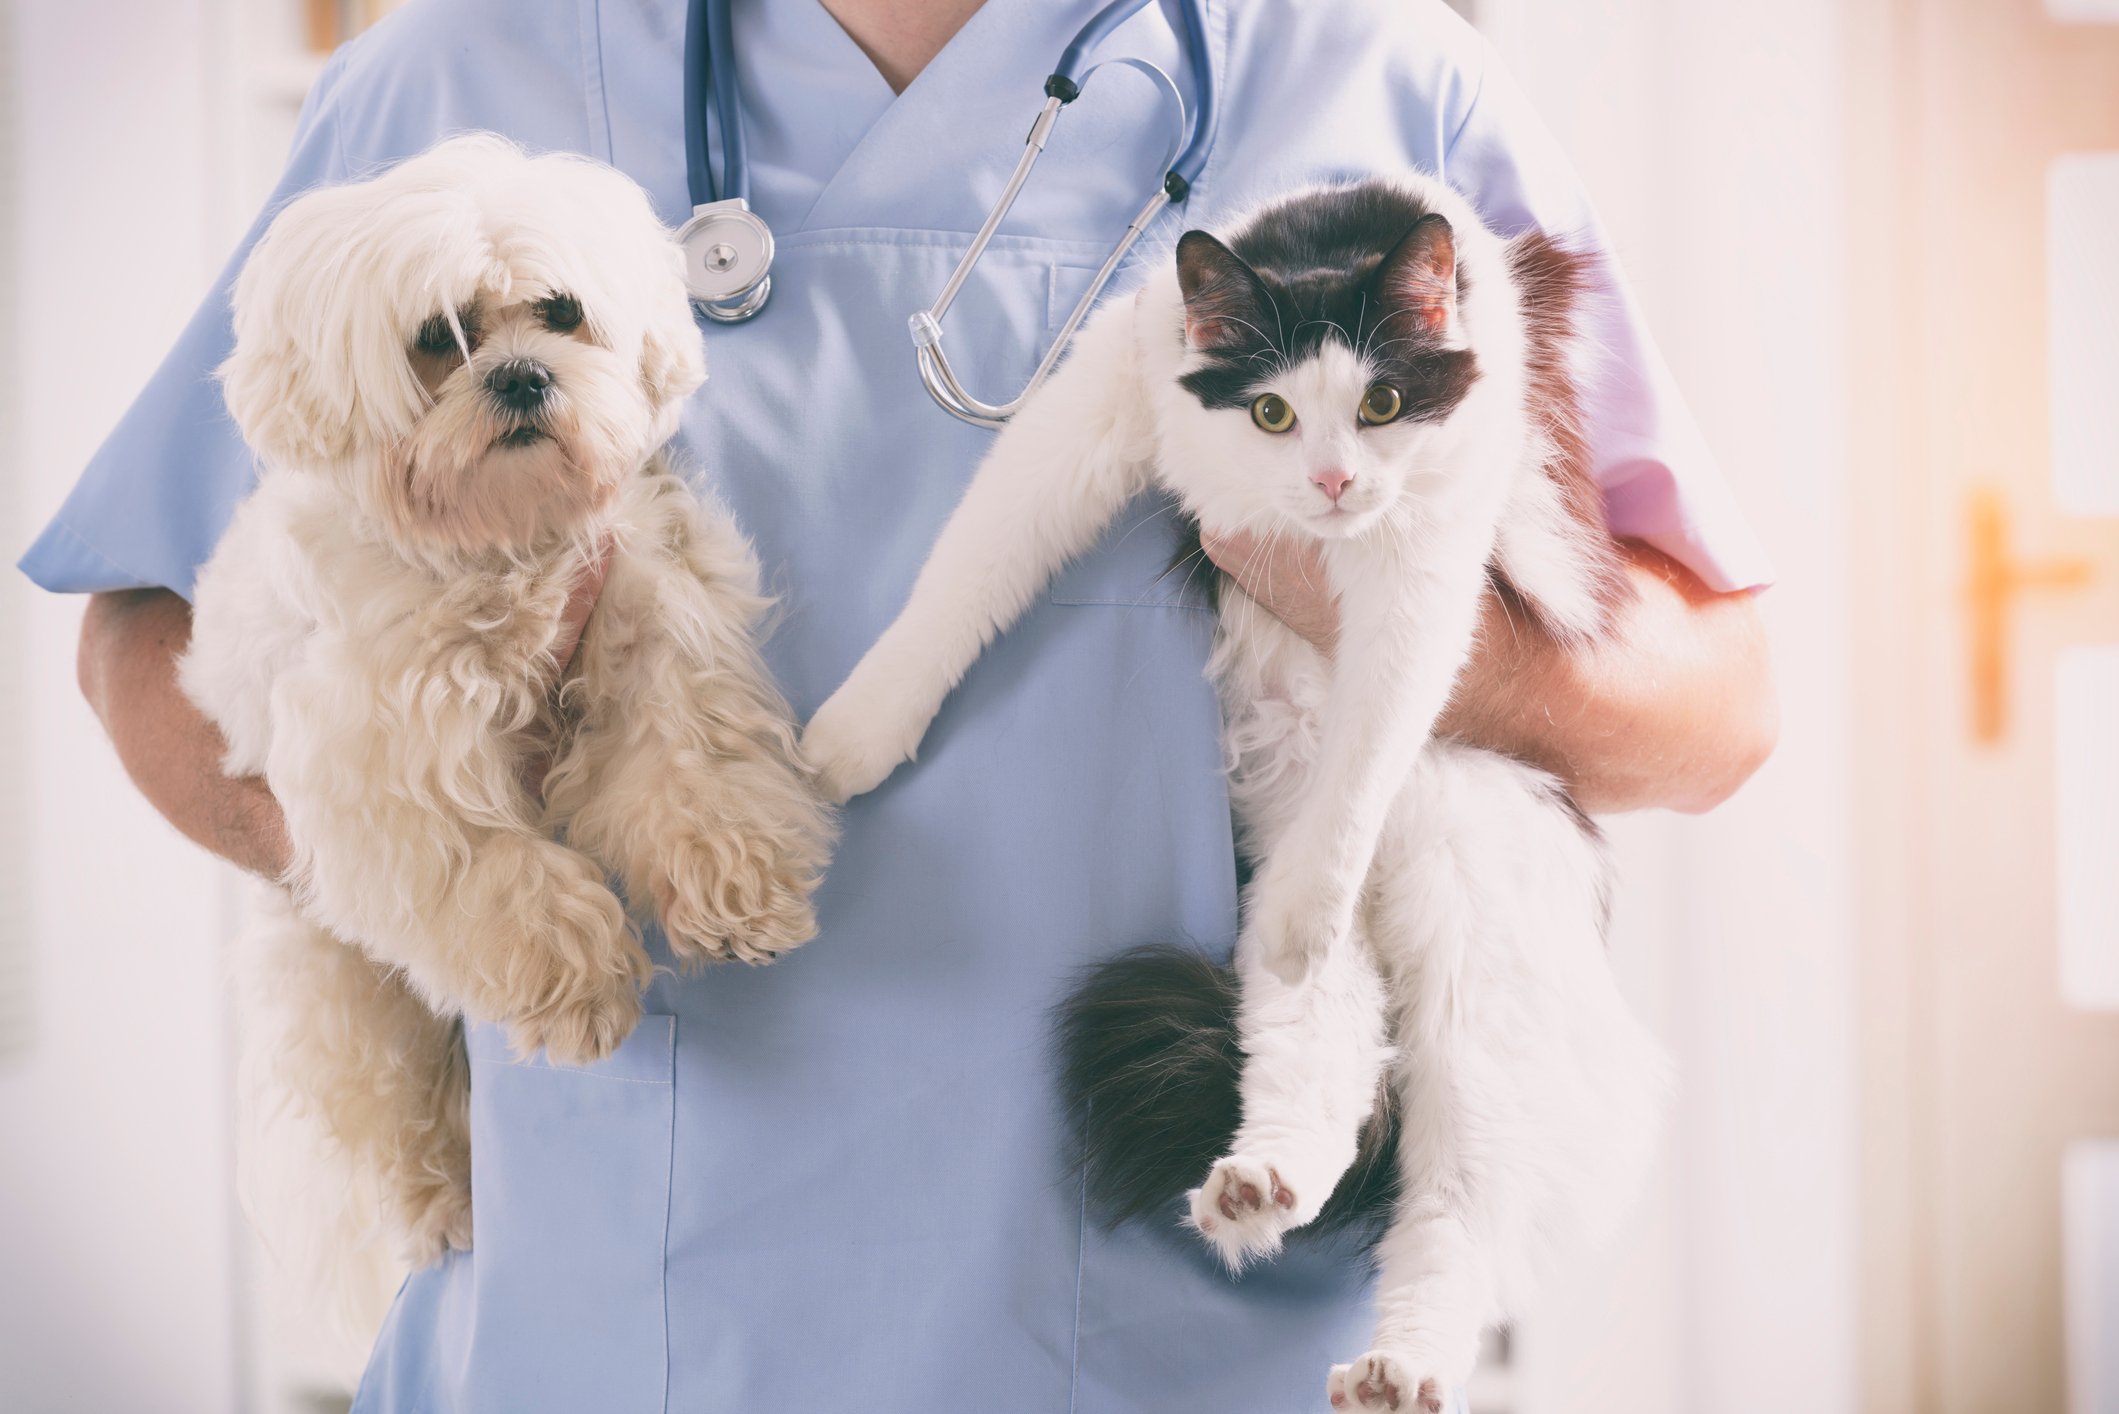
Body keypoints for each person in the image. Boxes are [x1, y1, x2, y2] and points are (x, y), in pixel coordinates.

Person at [34, 1, 1777, 1409]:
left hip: (1211, 1325)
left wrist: (1377, 604)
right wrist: (400, 848)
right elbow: (145, 634)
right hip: (625, 1339)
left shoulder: (1369, 78)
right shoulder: (457, 77)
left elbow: (1718, 706)